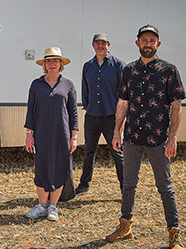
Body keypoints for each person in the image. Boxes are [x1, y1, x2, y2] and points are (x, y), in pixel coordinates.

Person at [105, 25, 186, 249]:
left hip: (158, 140)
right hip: (132, 137)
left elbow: (176, 106)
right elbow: (123, 102)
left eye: (152, 40)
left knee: (165, 187)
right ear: (137, 43)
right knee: (128, 184)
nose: (148, 43)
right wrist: (116, 132)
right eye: (144, 40)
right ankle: (125, 227)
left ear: (158, 44)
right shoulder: (129, 70)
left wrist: (172, 138)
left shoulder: (169, 70)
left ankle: (174, 235)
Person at [24, 47, 78, 222]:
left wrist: (74, 136)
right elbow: (31, 110)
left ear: (61, 64)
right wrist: (29, 133)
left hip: (61, 134)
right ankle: (41, 206)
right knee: (41, 168)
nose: (52, 64)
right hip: (40, 134)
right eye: (49, 61)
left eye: (55, 61)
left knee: (59, 167)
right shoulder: (36, 84)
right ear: (44, 65)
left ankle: (53, 207)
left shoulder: (68, 85)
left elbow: (73, 112)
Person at [75, 33, 125, 195]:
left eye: (103, 43)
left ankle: (126, 187)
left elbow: (124, 94)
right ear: (93, 45)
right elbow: (85, 90)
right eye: (97, 43)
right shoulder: (88, 66)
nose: (100, 46)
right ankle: (84, 185)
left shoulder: (118, 65)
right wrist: (88, 107)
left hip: (111, 117)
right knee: (89, 151)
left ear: (108, 45)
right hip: (91, 116)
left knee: (117, 153)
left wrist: (121, 119)